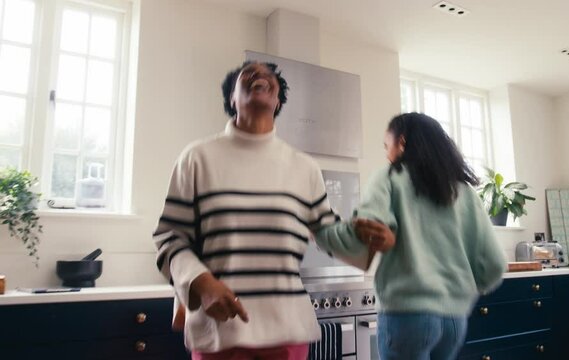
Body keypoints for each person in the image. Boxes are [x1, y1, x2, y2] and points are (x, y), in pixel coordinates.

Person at [153, 61, 390, 360]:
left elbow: (327, 231)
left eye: (268, 75)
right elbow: (169, 237)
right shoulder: (196, 158)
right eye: (247, 73)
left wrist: (364, 237)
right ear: (232, 99)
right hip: (221, 334)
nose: (259, 74)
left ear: (277, 101)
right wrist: (201, 283)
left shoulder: (304, 167)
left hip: (288, 334)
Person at [315, 112, 507, 360]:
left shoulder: (391, 176)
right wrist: (461, 290)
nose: (387, 154)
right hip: (454, 321)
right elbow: (494, 264)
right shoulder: (464, 191)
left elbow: (363, 234)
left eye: (387, 146)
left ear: (402, 142)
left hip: (407, 315)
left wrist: (317, 230)